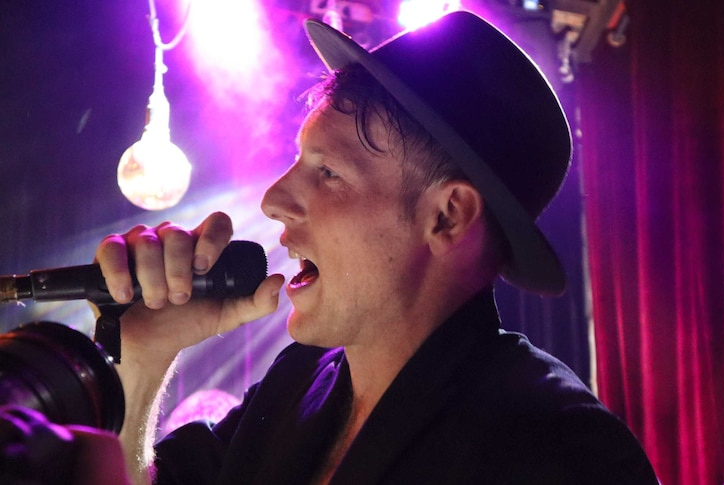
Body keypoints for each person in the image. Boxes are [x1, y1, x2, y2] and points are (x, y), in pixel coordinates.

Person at [95, 11, 659, 484]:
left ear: (447, 217)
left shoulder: (561, 447)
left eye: (328, 171)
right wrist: (144, 359)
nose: (273, 200)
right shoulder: (295, 384)